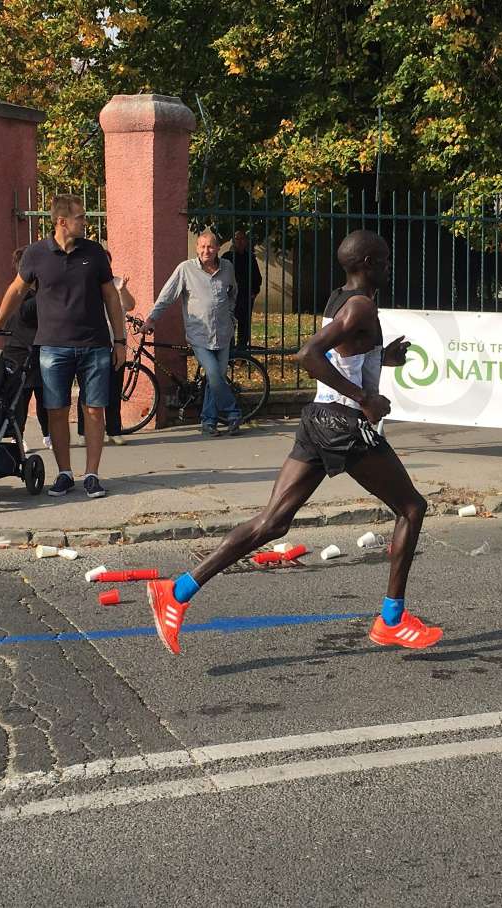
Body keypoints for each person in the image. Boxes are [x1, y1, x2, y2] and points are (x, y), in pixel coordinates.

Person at [146, 230, 438, 655]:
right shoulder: (361, 305)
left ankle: (177, 591)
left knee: (273, 522)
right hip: (343, 423)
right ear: (370, 263)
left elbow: (345, 355)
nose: (391, 266)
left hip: (317, 420)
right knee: (412, 508)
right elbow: (309, 355)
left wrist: (381, 357)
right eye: (387, 259)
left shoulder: (338, 298)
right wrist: (366, 398)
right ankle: (391, 620)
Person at [0, 194, 126, 499]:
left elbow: (112, 298)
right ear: (62, 221)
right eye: (81, 217)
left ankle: (91, 475)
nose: (86, 222)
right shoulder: (36, 254)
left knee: (94, 411)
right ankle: (64, 473)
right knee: (56, 411)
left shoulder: (95, 253)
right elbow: (16, 290)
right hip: (52, 348)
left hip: (95, 346)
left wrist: (120, 340)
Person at [143, 229, 242, 436]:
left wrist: (230, 314)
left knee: (214, 378)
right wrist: (152, 319)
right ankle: (233, 413)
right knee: (215, 374)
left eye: (211, 247)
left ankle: (208, 421)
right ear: (197, 248)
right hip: (199, 335)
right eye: (202, 246)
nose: (206, 250)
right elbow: (167, 296)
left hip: (223, 334)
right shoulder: (185, 269)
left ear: (217, 249)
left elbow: (233, 292)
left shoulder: (227, 268)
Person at [77, 259, 136, 445]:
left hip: (114, 346)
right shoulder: (84, 284)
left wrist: (123, 290)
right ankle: (83, 432)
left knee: (113, 390)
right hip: (91, 345)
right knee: (87, 392)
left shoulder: (117, 282)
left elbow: (130, 305)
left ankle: (114, 431)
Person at [1, 246, 50, 448]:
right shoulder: (26, 295)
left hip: (34, 351)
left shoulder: (28, 293)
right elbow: (25, 314)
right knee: (20, 400)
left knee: (43, 397)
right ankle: (17, 437)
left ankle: (49, 435)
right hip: (21, 352)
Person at [221, 229, 261, 350]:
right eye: (237, 239)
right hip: (229, 297)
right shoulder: (226, 257)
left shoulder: (250, 258)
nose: (240, 242)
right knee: (228, 326)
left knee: (244, 327)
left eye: (242, 239)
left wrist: (254, 292)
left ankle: (242, 354)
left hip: (245, 297)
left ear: (246, 241)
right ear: (233, 241)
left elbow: (257, 277)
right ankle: (229, 353)